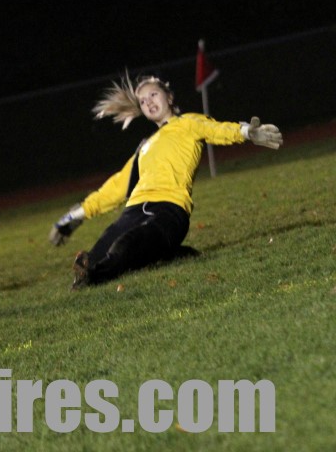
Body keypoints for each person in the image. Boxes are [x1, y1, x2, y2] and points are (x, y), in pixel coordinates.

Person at [48, 71, 283, 290]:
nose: (148, 102)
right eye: (143, 101)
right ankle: (166, 255)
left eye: (153, 94)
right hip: (133, 212)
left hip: (169, 211)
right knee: (96, 256)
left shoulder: (187, 123)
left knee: (126, 244)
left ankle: (95, 277)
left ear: (169, 97)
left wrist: (246, 132)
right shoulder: (144, 146)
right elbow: (116, 186)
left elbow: (216, 129)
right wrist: (73, 217)